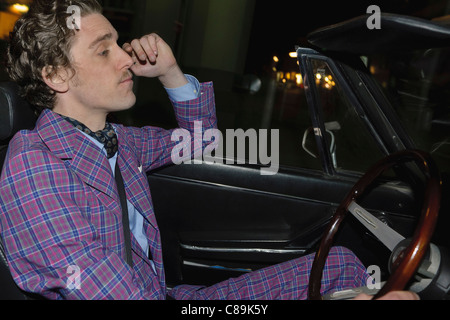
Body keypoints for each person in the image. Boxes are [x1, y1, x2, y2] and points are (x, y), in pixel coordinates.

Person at [0, 0, 415, 300]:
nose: (125, 58)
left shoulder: (117, 140)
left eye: (119, 44)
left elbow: (204, 140)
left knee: (339, 265)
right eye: (104, 50)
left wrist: (170, 72)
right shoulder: (35, 164)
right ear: (56, 75)